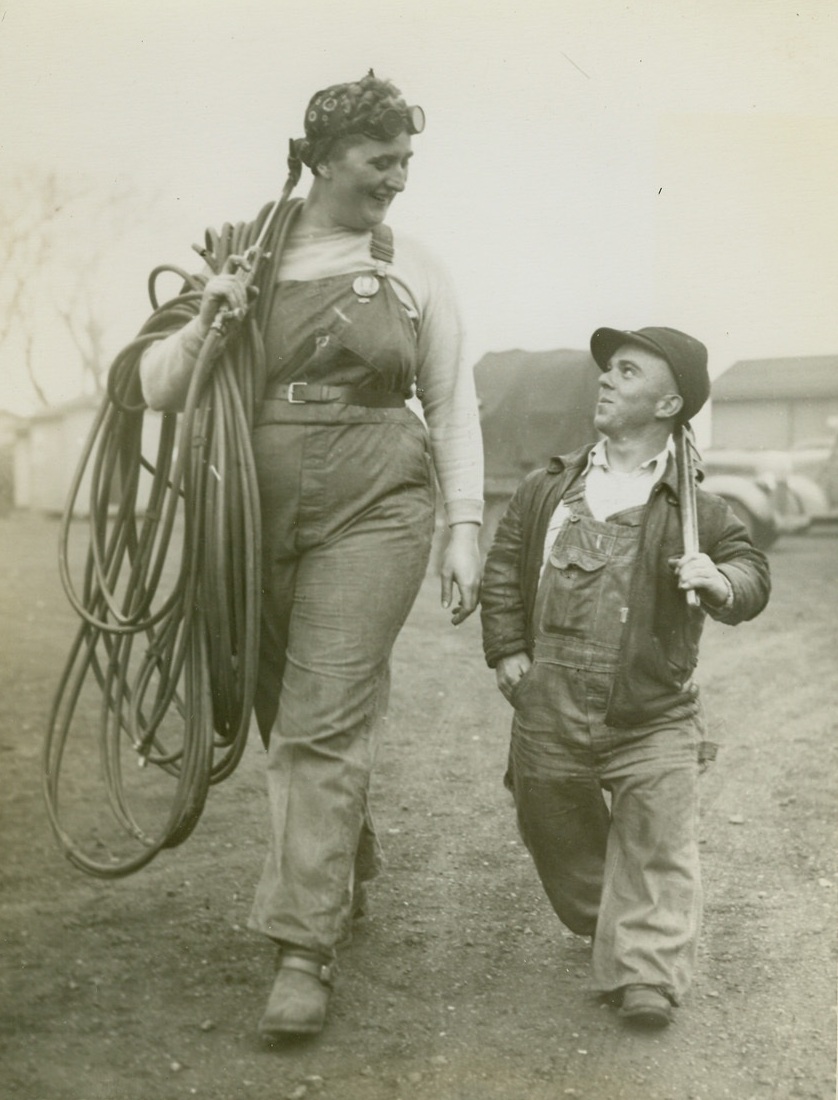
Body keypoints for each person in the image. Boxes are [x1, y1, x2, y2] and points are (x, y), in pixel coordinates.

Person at [139, 71, 483, 1038]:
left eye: (406, 161)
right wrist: (213, 311)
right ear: (323, 158)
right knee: (276, 705)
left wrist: (463, 525)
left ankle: (301, 949)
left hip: (376, 503)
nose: (399, 179)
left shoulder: (414, 263)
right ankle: (341, 851)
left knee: (320, 720)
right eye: (382, 161)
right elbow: (161, 390)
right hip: (249, 508)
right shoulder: (240, 254)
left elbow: (453, 401)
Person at [480, 326, 770, 1028]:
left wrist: (722, 579)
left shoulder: (700, 509)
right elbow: (503, 572)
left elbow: (752, 572)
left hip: (653, 709)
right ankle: (605, 918)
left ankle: (645, 970)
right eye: (608, 369)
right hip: (547, 700)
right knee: (552, 826)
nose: (607, 378)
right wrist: (508, 651)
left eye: (628, 372)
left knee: (656, 840)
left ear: (670, 403)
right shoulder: (548, 488)